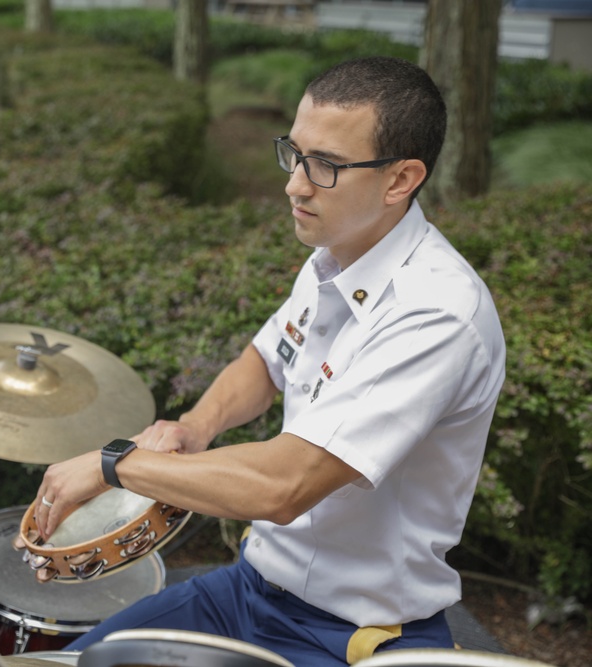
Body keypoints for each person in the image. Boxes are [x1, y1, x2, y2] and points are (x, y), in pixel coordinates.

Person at [31, 56, 506, 666]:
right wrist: (194, 427)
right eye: (295, 154)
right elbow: (266, 359)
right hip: (248, 591)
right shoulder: (336, 255)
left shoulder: (437, 314)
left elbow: (285, 486)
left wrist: (115, 466)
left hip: (353, 639)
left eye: (326, 166)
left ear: (400, 179)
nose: (295, 184)